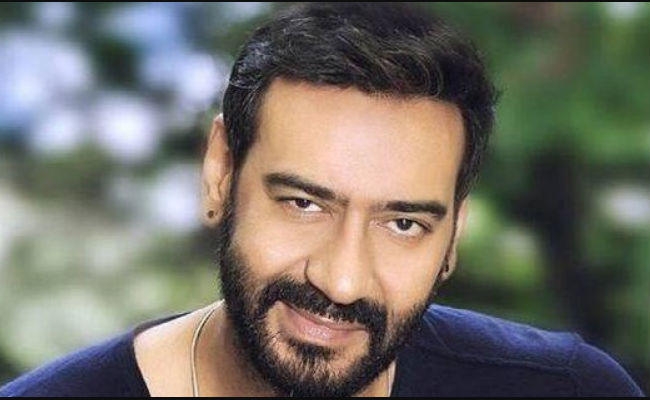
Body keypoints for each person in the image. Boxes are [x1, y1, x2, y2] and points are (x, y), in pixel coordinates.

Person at [0, 3, 644, 397]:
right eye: (303, 204)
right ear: (221, 172)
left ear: (454, 235)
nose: (341, 280)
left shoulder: (568, 390)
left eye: (404, 223)